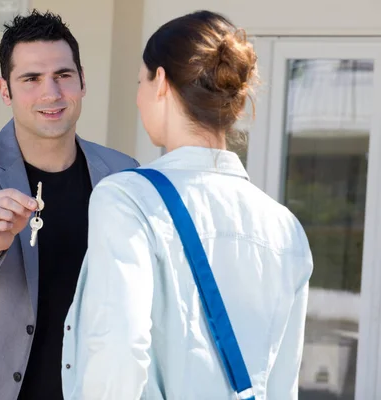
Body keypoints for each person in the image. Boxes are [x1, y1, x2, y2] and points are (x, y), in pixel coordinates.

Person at [62, 10, 313, 400]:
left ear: (160, 81)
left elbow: (119, 352)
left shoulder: (128, 198)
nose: (138, 97)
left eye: (140, 82)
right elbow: (283, 386)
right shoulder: (285, 228)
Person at [0, 10, 138, 400]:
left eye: (63, 76)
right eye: (31, 79)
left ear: (82, 81)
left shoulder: (123, 173)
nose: (51, 93)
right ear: (6, 90)